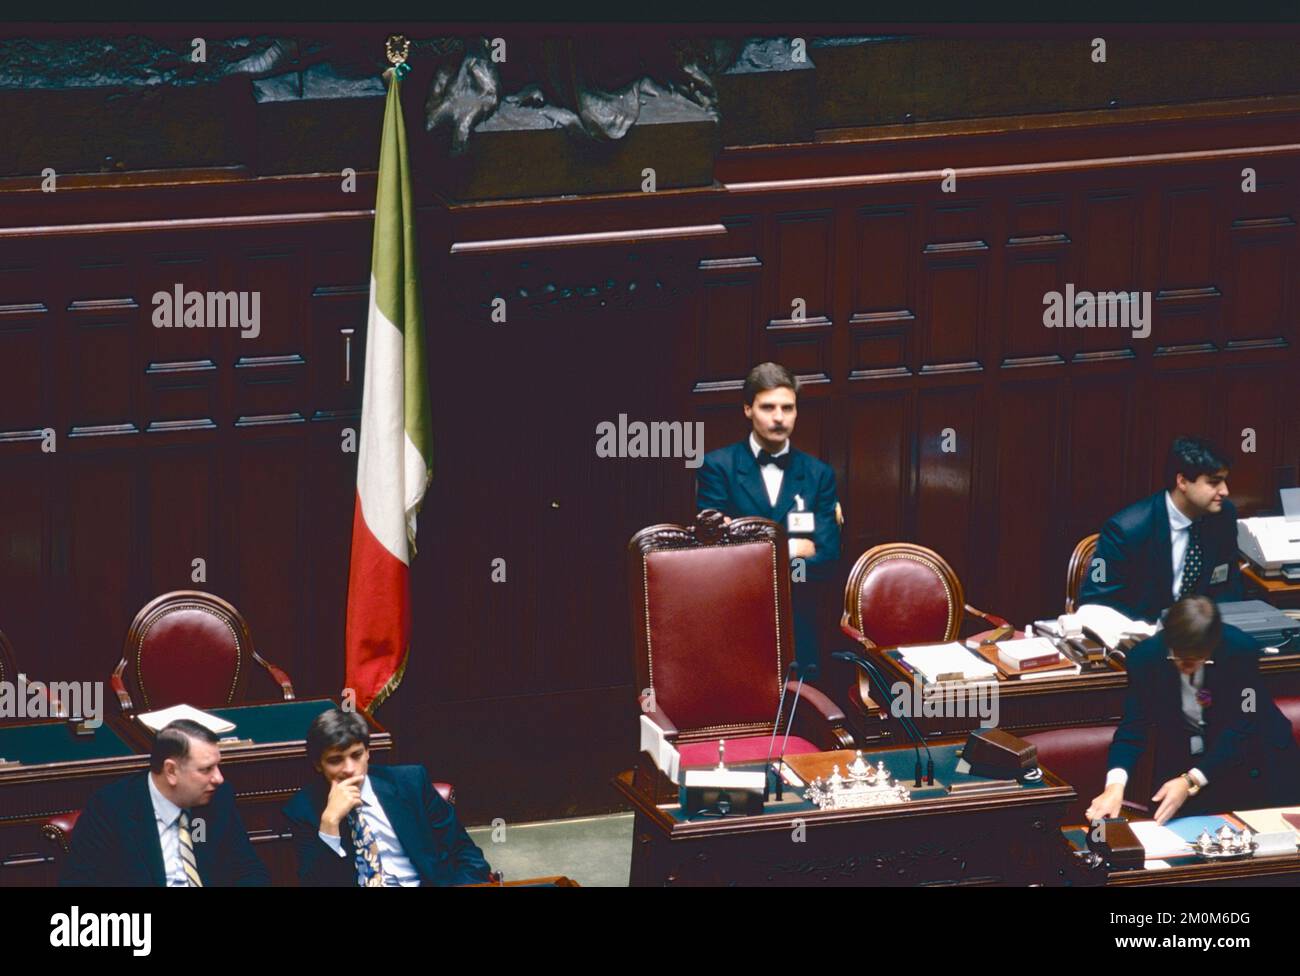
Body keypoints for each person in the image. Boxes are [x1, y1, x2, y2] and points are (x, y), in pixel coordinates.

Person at [1085, 596, 1300, 825]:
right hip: (1189, 761)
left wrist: (1190, 780)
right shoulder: (1145, 659)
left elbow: (1244, 726)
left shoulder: (1240, 651)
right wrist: (1115, 786)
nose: (1186, 667)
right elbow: (1133, 728)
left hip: (1257, 760)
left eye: (1196, 659)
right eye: (1178, 657)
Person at [696, 362, 841, 675]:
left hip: (800, 628)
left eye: (787, 408)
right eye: (768, 407)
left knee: (802, 717)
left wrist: (751, 551)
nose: (779, 417)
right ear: (748, 409)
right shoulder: (717, 467)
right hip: (734, 621)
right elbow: (715, 557)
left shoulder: (819, 475)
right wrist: (793, 549)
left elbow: (828, 559)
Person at [282, 708, 492, 886]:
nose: (349, 769)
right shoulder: (303, 810)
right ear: (318, 765)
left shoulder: (411, 782)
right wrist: (330, 824)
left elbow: (467, 855)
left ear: (368, 752)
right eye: (336, 760)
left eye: (356, 755)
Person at [61, 719, 268, 886]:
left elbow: (249, 870)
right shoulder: (111, 808)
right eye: (206, 769)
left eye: (217, 766)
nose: (218, 778)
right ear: (171, 771)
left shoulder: (216, 799)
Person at [1078, 435, 1242, 623]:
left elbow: (1228, 585)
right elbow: (1096, 601)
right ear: (1182, 481)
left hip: (1205, 636)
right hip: (1143, 635)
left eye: (1224, 481)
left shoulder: (1223, 516)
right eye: (1214, 482)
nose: (1225, 491)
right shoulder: (1124, 531)